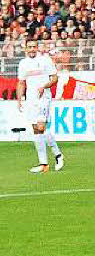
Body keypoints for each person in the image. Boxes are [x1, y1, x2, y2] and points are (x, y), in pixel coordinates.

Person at [17, 40, 63, 174]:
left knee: (41, 127)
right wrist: (19, 99)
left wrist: (44, 86)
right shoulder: (23, 63)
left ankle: (58, 155)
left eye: (34, 47)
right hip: (31, 99)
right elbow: (21, 82)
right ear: (25, 48)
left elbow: (54, 78)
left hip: (43, 97)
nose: (32, 49)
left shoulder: (45, 60)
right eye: (29, 47)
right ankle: (44, 164)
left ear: (37, 48)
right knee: (36, 130)